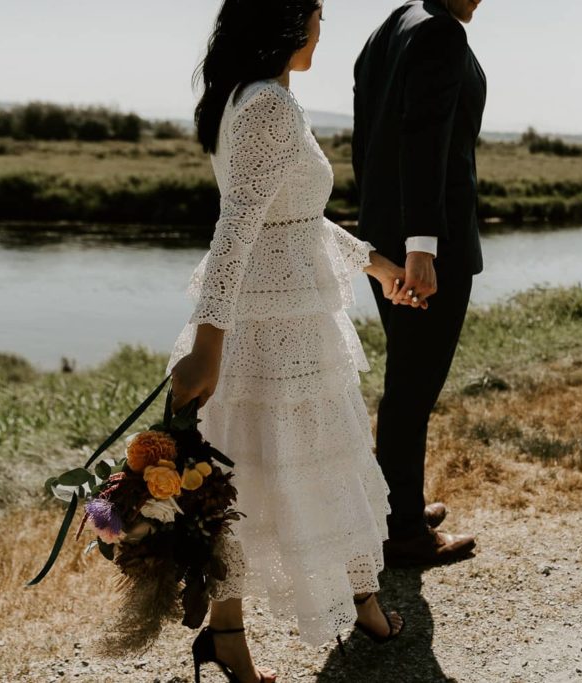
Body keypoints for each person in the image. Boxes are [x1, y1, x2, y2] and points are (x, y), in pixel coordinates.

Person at [170, 2, 409, 680]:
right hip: (269, 333)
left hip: (282, 321)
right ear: (285, 22)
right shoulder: (269, 106)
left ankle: (264, 627)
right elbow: (237, 230)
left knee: (255, 475)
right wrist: (210, 341)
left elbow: (296, 220)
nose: (320, 31)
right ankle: (349, 605)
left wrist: (377, 264)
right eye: (316, 16)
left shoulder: (244, 99)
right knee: (308, 465)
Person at [352, 0, 487, 567]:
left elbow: (369, 138)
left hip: (387, 235)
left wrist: (382, 232)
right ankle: (403, 530)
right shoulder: (440, 34)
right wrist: (421, 246)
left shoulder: (395, 22)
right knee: (413, 386)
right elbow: (423, 140)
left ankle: (396, 505)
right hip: (426, 249)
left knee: (405, 379)